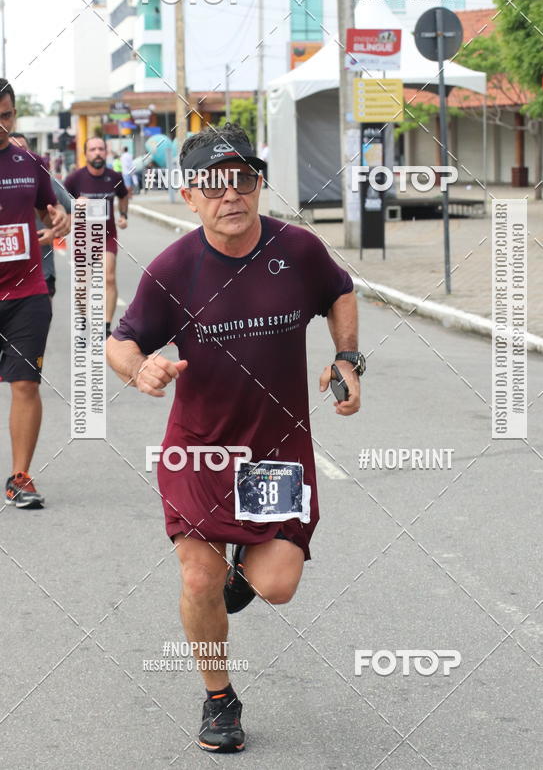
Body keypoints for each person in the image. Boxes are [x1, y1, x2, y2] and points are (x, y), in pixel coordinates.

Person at [106, 122, 365, 753]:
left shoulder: (297, 250)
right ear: (191, 196)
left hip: (274, 455)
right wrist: (139, 367)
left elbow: (341, 292)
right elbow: (121, 339)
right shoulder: (175, 267)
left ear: (257, 185)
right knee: (197, 579)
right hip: (200, 449)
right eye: (214, 185)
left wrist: (349, 358)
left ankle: (237, 577)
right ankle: (219, 699)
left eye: (244, 179)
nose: (232, 195)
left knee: (276, 584)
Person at [0, 79, 70, 508]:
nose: (0, 126)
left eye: (6, 116)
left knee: (25, 384)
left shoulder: (29, 161)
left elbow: (54, 207)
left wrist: (59, 219)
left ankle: (20, 477)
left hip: (27, 292)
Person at [64, 138, 129, 337]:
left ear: (106, 152)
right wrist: (75, 207)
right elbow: (62, 204)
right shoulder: (74, 179)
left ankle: (105, 327)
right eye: (93, 149)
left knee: (108, 278)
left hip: (107, 236)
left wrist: (123, 216)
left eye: (101, 149)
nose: (98, 152)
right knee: (83, 282)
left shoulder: (115, 176)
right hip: (84, 237)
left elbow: (123, 196)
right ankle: (83, 321)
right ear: (86, 154)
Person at [9, 133, 72, 298]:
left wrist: (55, 232)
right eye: (12, 149)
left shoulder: (45, 180)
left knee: (40, 322)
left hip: (41, 273)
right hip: (6, 278)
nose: (17, 154)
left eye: (22, 149)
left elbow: (69, 210)